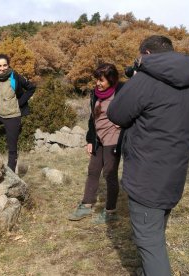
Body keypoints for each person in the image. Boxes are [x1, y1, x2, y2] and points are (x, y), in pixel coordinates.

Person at [107, 35, 189, 275]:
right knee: (156, 229)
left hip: (147, 175)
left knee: (150, 244)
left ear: (146, 55)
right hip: (175, 171)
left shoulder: (146, 81)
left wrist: (137, 79)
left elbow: (117, 114)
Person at [68, 63, 125, 223]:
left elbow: (134, 109)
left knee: (109, 173)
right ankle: (86, 206)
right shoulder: (96, 93)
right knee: (93, 170)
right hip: (98, 139)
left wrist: (125, 122)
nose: (98, 83)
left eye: (101, 80)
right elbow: (92, 118)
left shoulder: (122, 91)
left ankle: (110, 211)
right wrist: (90, 139)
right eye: (97, 80)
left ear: (111, 79)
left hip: (113, 139)